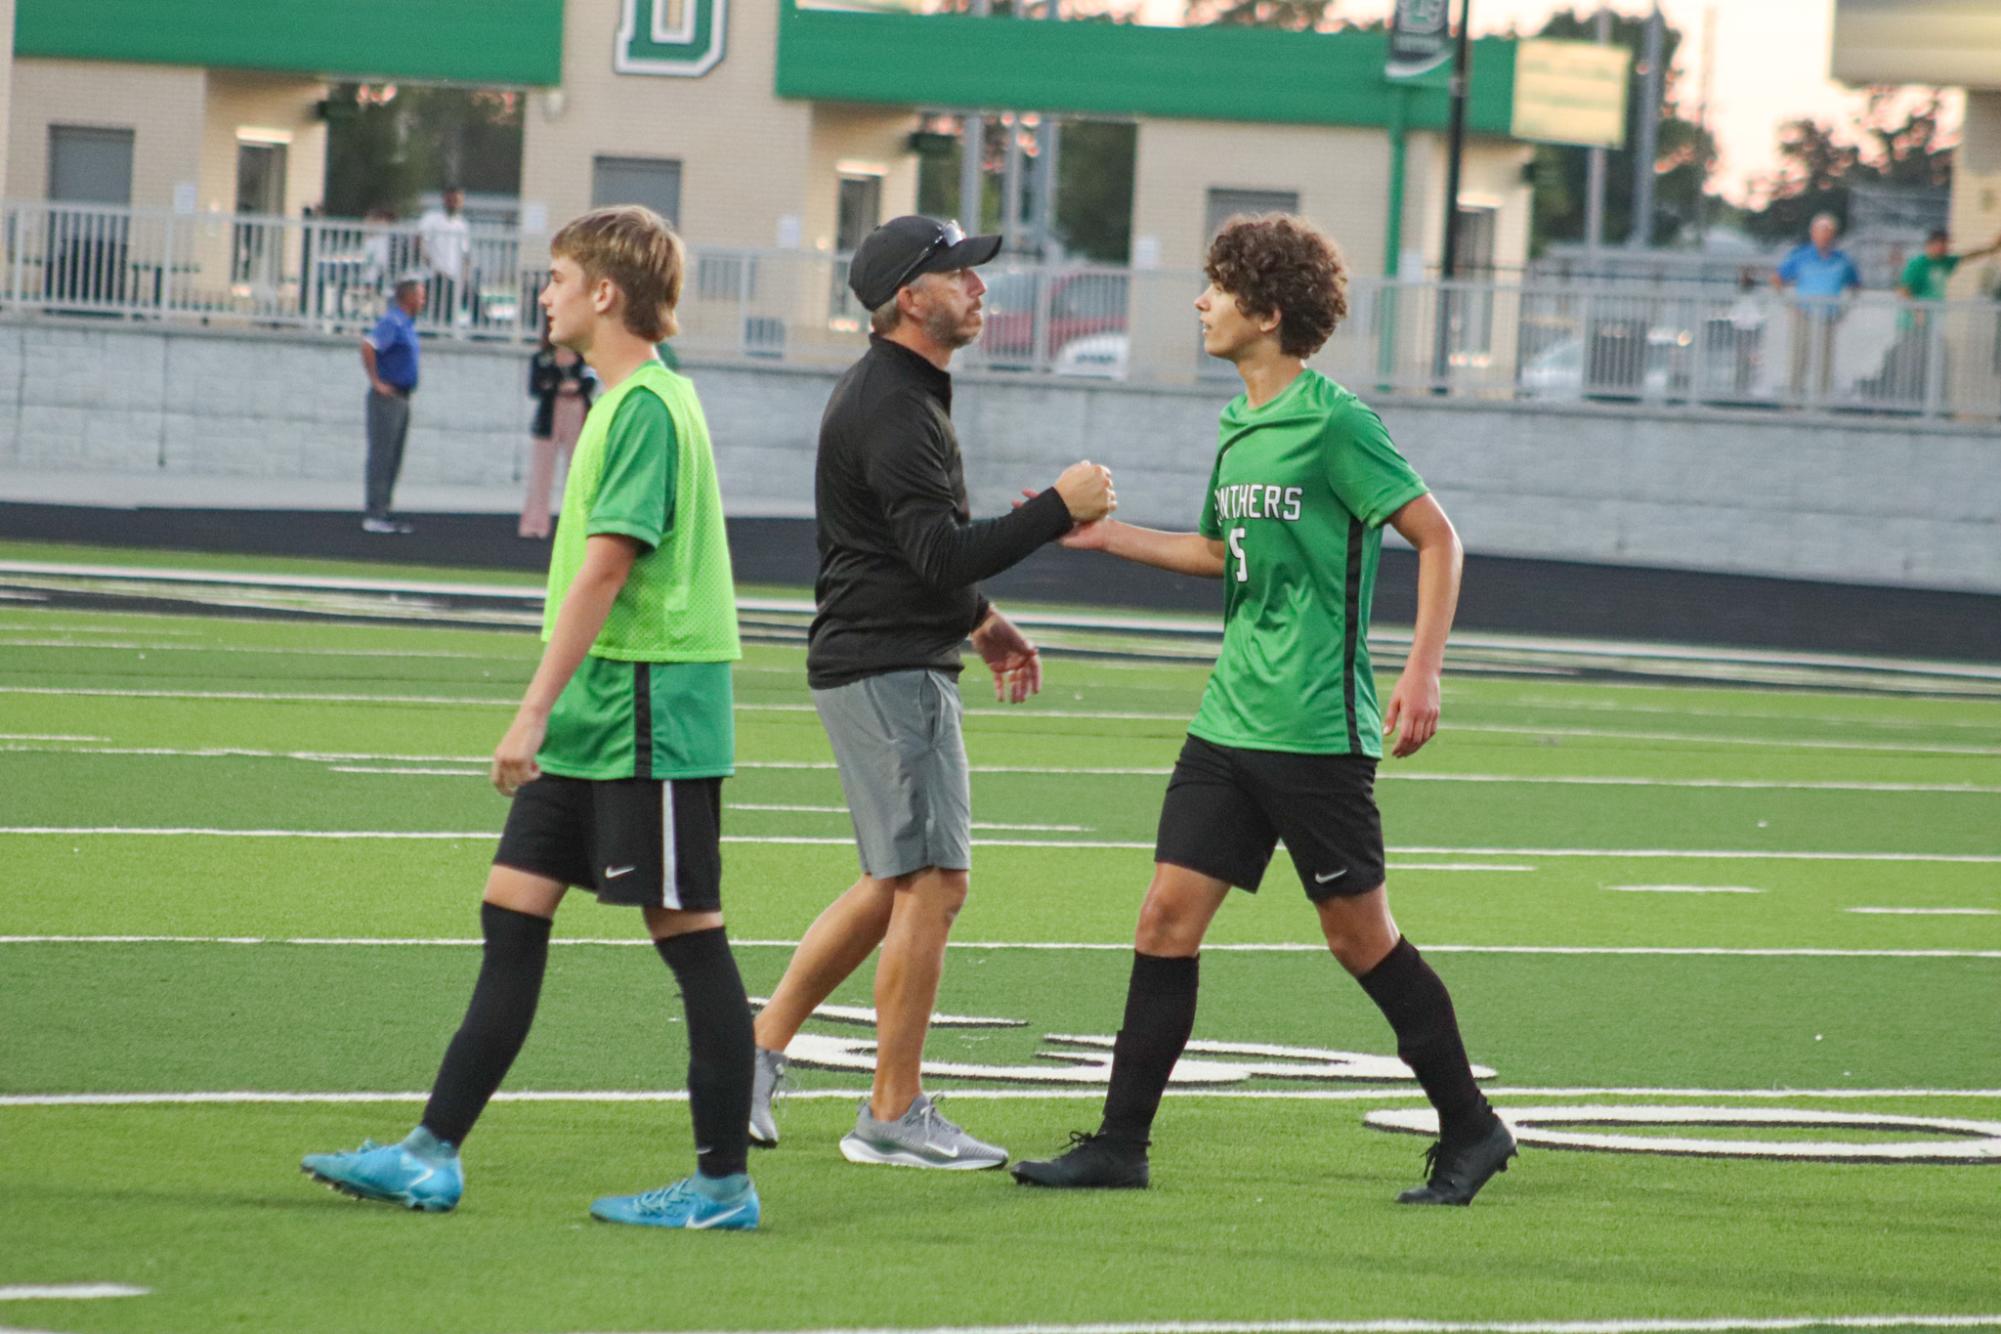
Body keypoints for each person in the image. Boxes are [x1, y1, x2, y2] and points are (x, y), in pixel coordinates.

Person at [1010, 214, 1514, 1207]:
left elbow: (1439, 538)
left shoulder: (1336, 422)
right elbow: (1214, 554)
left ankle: (1472, 1126)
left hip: (1315, 731)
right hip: (1228, 721)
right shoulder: (1238, 424)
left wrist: (1422, 670)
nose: (1201, 302)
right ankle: (1120, 1142)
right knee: (1164, 918)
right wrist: (1106, 540)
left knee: (1357, 937)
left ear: (1269, 311)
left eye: (1218, 287)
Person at [303, 204, 762, 1232]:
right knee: (511, 911)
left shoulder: (645, 405)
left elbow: (608, 568)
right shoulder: (623, 401)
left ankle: (724, 1186)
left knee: (689, 935)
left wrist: (528, 708)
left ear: (605, 292)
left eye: (556, 277)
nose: (542, 294)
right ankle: (430, 1153)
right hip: (603, 706)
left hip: (651, 706)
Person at [743, 215, 1116, 1169]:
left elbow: (907, 554)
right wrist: (1054, 510)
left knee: (893, 884)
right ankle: (891, 1112)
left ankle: (750, 1052)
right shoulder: (896, 406)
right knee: (933, 884)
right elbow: (933, 551)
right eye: (958, 273)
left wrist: (982, 623)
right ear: (911, 297)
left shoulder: (903, 394)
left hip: (887, 655)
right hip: (886, 667)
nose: (979, 287)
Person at [1892, 228, 2001, 398]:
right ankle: (1902, 402)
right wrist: (1918, 311)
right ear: (1932, 244)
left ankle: (1926, 404)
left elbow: (1968, 256)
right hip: (1913, 325)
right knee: (1911, 365)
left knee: (1932, 364)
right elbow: (1903, 290)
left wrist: (1991, 248)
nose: (1945, 249)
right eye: (1942, 244)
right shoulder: (1918, 264)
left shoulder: (1944, 262)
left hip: (1933, 324)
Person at [359, 274, 425, 534]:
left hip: (403, 397)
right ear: (407, 297)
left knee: (394, 457)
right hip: (388, 398)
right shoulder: (393, 322)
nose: (423, 300)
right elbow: (368, 346)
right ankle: (374, 512)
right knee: (382, 456)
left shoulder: (407, 324)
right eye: (419, 295)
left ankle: (384, 509)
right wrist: (376, 381)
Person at [1773, 213, 1861, 401]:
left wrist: (1845, 308)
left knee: (1824, 361)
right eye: (1821, 231)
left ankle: (1821, 401)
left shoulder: (1842, 260)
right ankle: (1793, 399)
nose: (1824, 236)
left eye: (1828, 232)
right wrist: (1789, 305)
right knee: (1799, 357)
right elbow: (1778, 279)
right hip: (1804, 314)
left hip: (1828, 316)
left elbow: (1855, 284)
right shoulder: (1801, 256)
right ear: (1813, 233)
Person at [522, 324, 594, 539]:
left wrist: (577, 387)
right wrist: (557, 387)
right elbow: (535, 387)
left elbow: (591, 381)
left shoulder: (584, 358)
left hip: (577, 413)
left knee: (578, 472)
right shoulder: (542, 358)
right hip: (550, 414)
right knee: (541, 473)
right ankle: (534, 524)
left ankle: (579, 525)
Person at [418, 185, 472, 327]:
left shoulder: (462, 225)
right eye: (451, 199)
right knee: (433, 309)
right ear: (444, 200)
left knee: (449, 312)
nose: (454, 203)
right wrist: (428, 261)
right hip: (434, 274)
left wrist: (465, 277)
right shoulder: (432, 219)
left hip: (453, 276)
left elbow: (466, 254)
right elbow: (420, 240)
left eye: (458, 200)